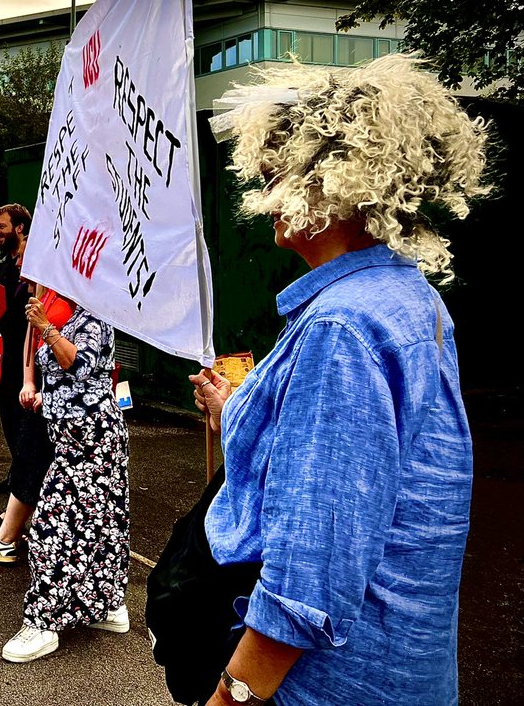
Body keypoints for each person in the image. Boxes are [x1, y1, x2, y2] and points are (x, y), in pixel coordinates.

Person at [184, 55, 490, 706]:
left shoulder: (342, 329)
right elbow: (363, 474)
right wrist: (237, 411)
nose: (264, 196)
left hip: (331, 687)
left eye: (277, 176)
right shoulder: (407, 297)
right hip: (406, 674)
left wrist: (228, 698)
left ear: (336, 183)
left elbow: (308, 580)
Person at [0, 293, 130, 663]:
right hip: (73, 439)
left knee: (50, 526)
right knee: (102, 523)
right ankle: (109, 604)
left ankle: (43, 622)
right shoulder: (72, 317)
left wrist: (45, 326)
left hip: (92, 440)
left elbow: (81, 365)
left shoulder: (96, 317)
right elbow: (64, 376)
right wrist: (47, 397)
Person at [0, 286, 72, 565]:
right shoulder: (46, 292)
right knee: (31, 460)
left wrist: (52, 389)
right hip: (43, 397)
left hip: (65, 403)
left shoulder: (79, 297)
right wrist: (29, 380)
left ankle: (9, 535)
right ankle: (12, 532)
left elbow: (81, 359)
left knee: (40, 464)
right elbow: (31, 337)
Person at [0, 204, 31, 493]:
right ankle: (18, 472)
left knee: (25, 420)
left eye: (2, 226)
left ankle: (27, 477)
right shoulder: (0, 267)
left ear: (19, 228)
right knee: (9, 419)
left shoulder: (35, 268)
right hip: (2, 356)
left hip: (26, 358)